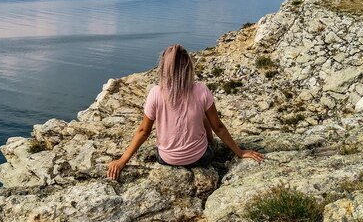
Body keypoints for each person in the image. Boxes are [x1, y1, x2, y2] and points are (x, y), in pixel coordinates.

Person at [107, 44, 263, 180]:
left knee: (194, 115)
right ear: (188, 67)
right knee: (202, 114)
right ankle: (210, 144)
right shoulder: (201, 90)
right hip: (202, 157)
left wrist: (122, 161)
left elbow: (143, 131)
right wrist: (240, 152)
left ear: (163, 68)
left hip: (166, 159)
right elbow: (218, 127)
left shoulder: (155, 93)